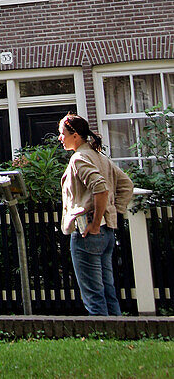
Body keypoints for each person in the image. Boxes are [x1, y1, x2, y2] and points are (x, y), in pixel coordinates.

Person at [58, 112, 134, 316]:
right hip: (106, 233)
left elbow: (100, 187)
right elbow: (126, 184)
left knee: (93, 294)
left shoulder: (79, 158)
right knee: (108, 290)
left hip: (87, 233)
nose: (60, 138)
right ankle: (119, 333)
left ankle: (103, 335)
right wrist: (113, 213)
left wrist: (95, 222)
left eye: (62, 133)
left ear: (75, 135)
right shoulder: (100, 157)